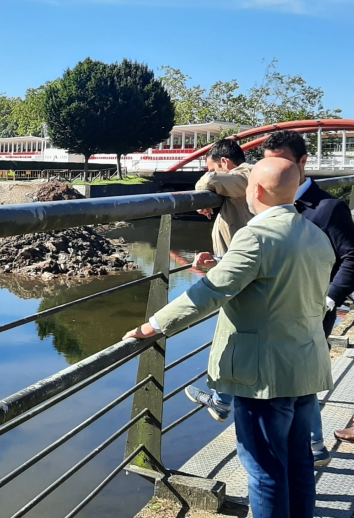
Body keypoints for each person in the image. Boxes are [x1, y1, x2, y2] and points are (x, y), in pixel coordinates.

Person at [124, 157, 335, 518]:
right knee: (298, 464)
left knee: (265, 471)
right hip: (304, 365)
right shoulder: (314, 234)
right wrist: (222, 264)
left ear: (254, 191)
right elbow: (276, 281)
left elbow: (208, 295)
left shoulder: (255, 236)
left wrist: (153, 326)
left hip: (262, 375)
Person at [261, 130, 354, 465]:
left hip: (312, 312)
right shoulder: (264, 204)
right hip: (272, 311)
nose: (276, 173)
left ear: (303, 163)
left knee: (295, 383)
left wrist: (328, 301)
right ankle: (309, 448)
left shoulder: (328, 208)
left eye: (284, 163)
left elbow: (352, 257)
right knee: (287, 382)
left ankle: (305, 449)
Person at [184, 140, 254, 422]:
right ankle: (224, 398)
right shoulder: (241, 182)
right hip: (237, 264)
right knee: (236, 332)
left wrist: (205, 187)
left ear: (225, 163)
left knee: (235, 333)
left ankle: (224, 401)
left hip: (244, 267)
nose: (209, 171)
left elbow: (211, 179)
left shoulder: (248, 175)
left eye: (211, 163)